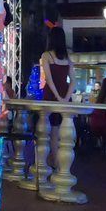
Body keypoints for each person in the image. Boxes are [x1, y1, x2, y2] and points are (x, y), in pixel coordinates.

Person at [38, 25, 74, 167]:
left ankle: (55, 161)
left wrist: (58, 97)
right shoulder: (67, 58)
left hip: (51, 96)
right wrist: (65, 98)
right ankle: (63, 162)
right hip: (65, 95)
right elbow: (73, 81)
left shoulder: (46, 56)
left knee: (52, 130)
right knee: (64, 130)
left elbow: (49, 79)